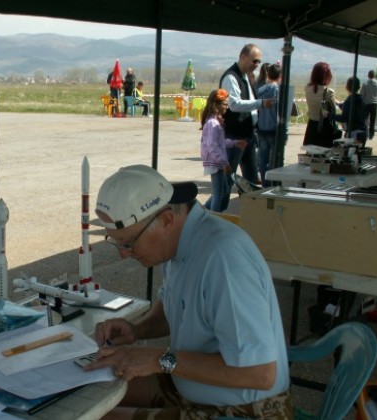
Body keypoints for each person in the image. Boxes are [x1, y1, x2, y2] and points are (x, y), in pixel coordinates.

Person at [85, 164, 292, 418]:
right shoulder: (178, 243)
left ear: (166, 220)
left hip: (246, 410)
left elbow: (259, 373)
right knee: (90, 393)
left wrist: (159, 359)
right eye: (116, 242)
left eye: (128, 243)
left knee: (98, 417)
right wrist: (138, 330)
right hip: (194, 386)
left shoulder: (224, 259)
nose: (123, 254)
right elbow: (177, 307)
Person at [220, 44, 273, 186]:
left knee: (251, 180)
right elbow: (234, 104)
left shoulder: (247, 77)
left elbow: (249, 102)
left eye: (259, 62)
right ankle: (216, 208)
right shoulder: (231, 77)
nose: (256, 65)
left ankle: (249, 205)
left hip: (248, 134)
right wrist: (260, 103)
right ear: (243, 57)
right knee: (226, 182)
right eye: (254, 61)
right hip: (235, 136)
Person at [201, 89, 246, 212]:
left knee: (224, 190)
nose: (227, 107)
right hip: (215, 163)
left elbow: (220, 142)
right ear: (216, 105)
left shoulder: (215, 122)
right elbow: (212, 146)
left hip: (218, 161)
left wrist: (235, 143)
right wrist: (224, 163)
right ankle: (213, 217)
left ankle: (206, 210)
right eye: (225, 104)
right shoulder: (212, 123)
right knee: (218, 193)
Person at [257, 63, 283, 186]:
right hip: (274, 129)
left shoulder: (260, 90)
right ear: (280, 76)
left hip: (261, 129)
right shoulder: (278, 92)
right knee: (274, 160)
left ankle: (264, 184)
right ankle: (273, 184)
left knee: (262, 159)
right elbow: (281, 113)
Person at [303, 62, 340, 147]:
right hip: (324, 127)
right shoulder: (329, 92)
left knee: (311, 156)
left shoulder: (307, 88)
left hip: (311, 125)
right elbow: (334, 110)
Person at [335, 76, 367, 143]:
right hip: (363, 132)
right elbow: (353, 109)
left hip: (353, 133)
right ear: (359, 87)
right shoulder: (362, 100)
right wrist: (339, 104)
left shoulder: (349, 101)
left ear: (346, 87)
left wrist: (330, 115)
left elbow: (343, 118)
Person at [360, 70, 377, 140]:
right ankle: (371, 134)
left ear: (368, 75)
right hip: (374, 104)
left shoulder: (365, 83)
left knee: (365, 119)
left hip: (366, 104)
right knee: (373, 120)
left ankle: (366, 133)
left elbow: (361, 95)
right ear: (375, 76)